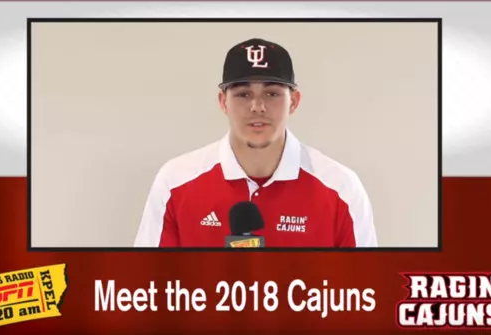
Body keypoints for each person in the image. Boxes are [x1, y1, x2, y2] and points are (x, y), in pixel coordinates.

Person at [133, 38, 377, 248]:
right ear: (223, 101)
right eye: (243, 94)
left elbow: (363, 292)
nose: (257, 106)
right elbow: (149, 287)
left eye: (271, 93)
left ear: (294, 101)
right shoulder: (175, 182)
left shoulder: (341, 189)